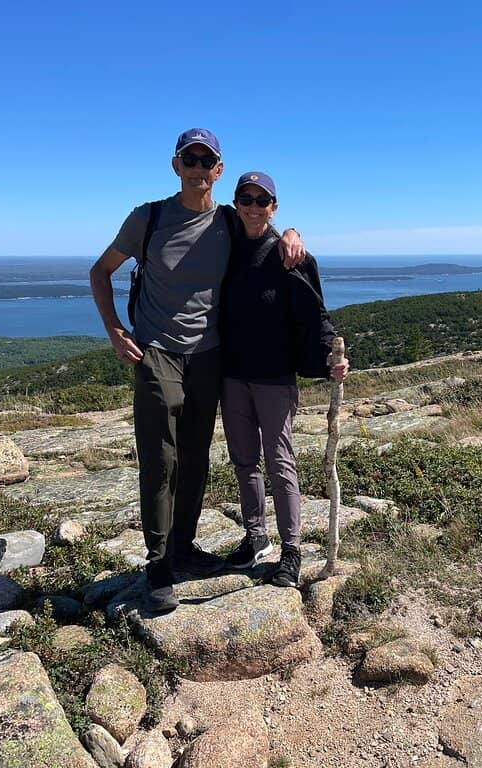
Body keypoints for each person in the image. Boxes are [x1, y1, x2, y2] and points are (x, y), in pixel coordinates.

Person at [89, 129, 305, 612]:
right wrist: (114, 329)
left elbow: (263, 226)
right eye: (191, 159)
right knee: (161, 458)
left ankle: (183, 547)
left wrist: (294, 232)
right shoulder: (149, 217)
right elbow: (99, 271)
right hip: (158, 351)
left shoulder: (227, 220)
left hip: (209, 354)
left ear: (218, 170)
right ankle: (159, 563)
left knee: (196, 455)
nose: (198, 168)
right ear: (176, 165)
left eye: (207, 161)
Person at [219, 171, 349, 588]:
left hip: (274, 377)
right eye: (246, 198)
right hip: (232, 375)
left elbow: (315, 313)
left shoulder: (288, 255)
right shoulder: (223, 244)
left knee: (280, 462)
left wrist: (333, 356)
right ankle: (256, 537)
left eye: (263, 200)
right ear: (236, 202)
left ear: (273, 207)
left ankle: (290, 551)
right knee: (243, 460)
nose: (253, 207)